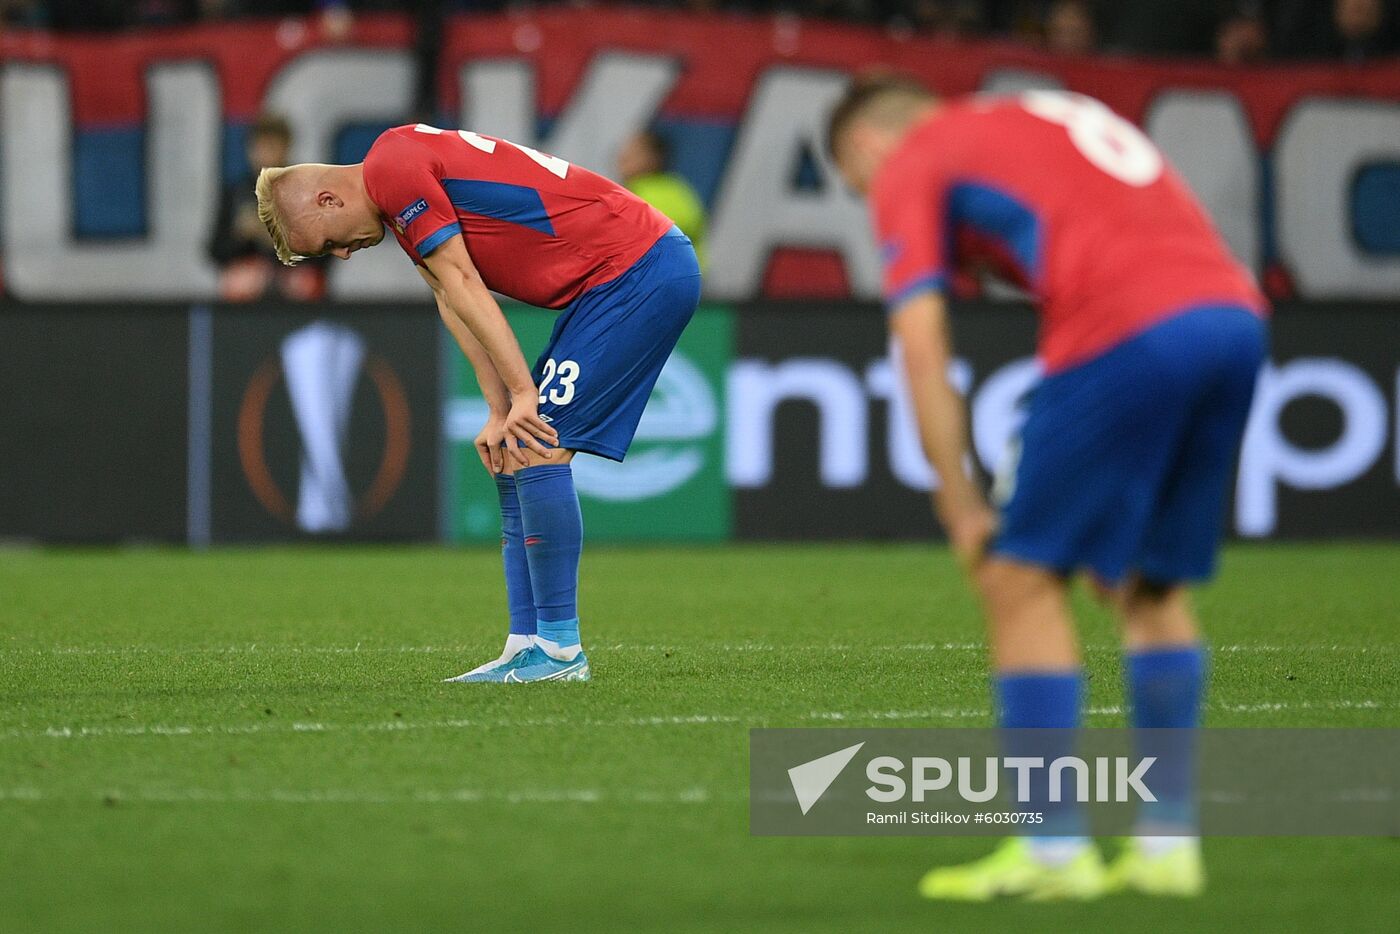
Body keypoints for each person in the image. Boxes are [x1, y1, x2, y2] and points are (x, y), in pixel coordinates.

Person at [827, 76, 1267, 900]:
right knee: (1147, 582)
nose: (873, 200)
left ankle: (1053, 854)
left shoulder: (914, 156)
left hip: (1128, 327)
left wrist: (957, 501)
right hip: (1234, 316)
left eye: (861, 188)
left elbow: (920, 342)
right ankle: (1168, 848)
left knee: (1016, 575)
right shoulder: (1040, 115)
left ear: (870, 147)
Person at [254, 124, 700, 683]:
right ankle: (526, 644)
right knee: (518, 446)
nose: (342, 255)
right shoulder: (397, 187)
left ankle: (561, 652)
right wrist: (498, 405)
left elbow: (464, 280)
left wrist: (522, 394)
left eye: (328, 243)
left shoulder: (393, 169)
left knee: (539, 446)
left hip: (637, 267)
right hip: (617, 275)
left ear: (327, 199)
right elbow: (450, 297)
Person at [209, 113, 324, 301]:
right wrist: (241, 235)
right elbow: (216, 250)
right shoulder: (237, 193)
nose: (265, 155)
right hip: (252, 271)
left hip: (294, 273)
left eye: (272, 146)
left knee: (306, 282)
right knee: (239, 281)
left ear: (286, 147)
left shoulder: (308, 191)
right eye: (259, 147)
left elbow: (327, 253)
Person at [617, 129, 708, 269]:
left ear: (654, 158)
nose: (623, 157)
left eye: (634, 152)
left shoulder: (669, 191)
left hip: (669, 278)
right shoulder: (629, 191)